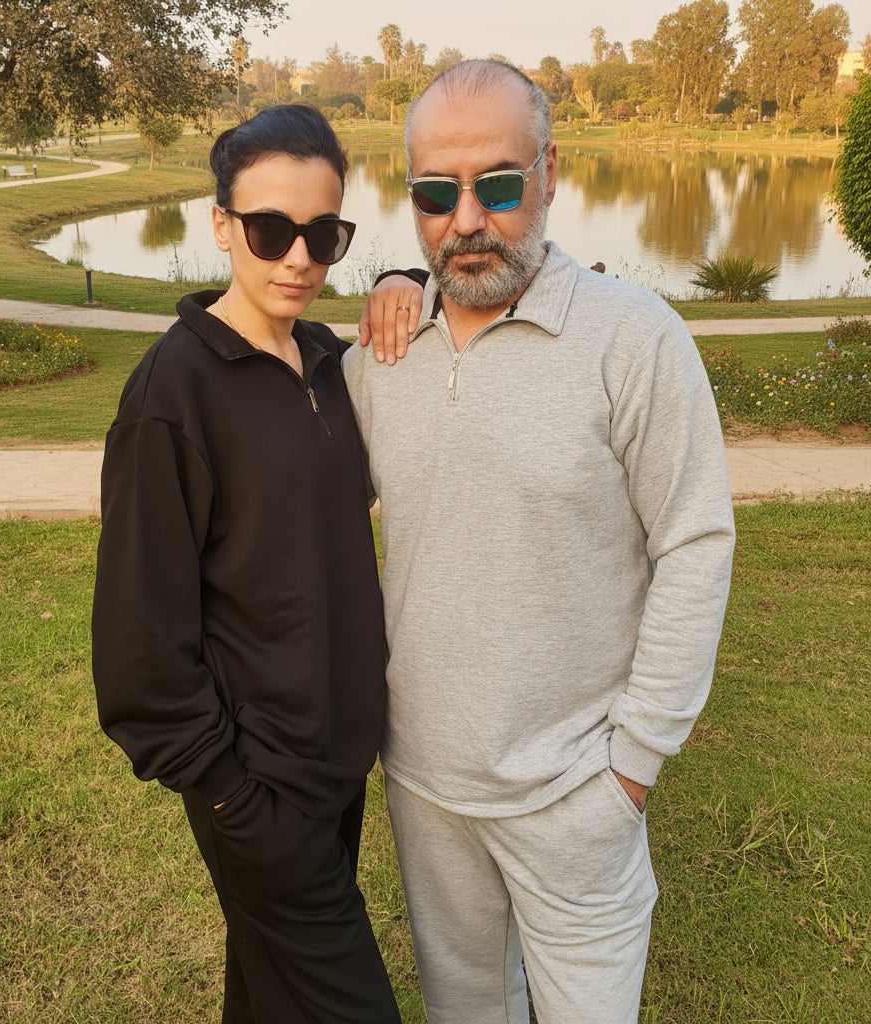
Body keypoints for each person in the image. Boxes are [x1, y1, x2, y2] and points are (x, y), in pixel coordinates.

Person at [343, 60, 736, 1024]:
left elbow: (695, 541)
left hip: (579, 792)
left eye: (500, 184)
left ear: (552, 172)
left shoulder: (636, 342)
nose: (467, 219)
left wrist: (633, 766)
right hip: (427, 790)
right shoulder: (376, 358)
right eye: (437, 193)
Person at [92, 104, 402, 1024]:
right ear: (222, 223)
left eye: (325, 233)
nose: (298, 258)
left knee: (269, 994)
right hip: (259, 784)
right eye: (271, 230)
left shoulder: (323, 360)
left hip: (339, 761)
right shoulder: (172, 393)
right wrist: (229, 794)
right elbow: (137, 642)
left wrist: (405, 275)